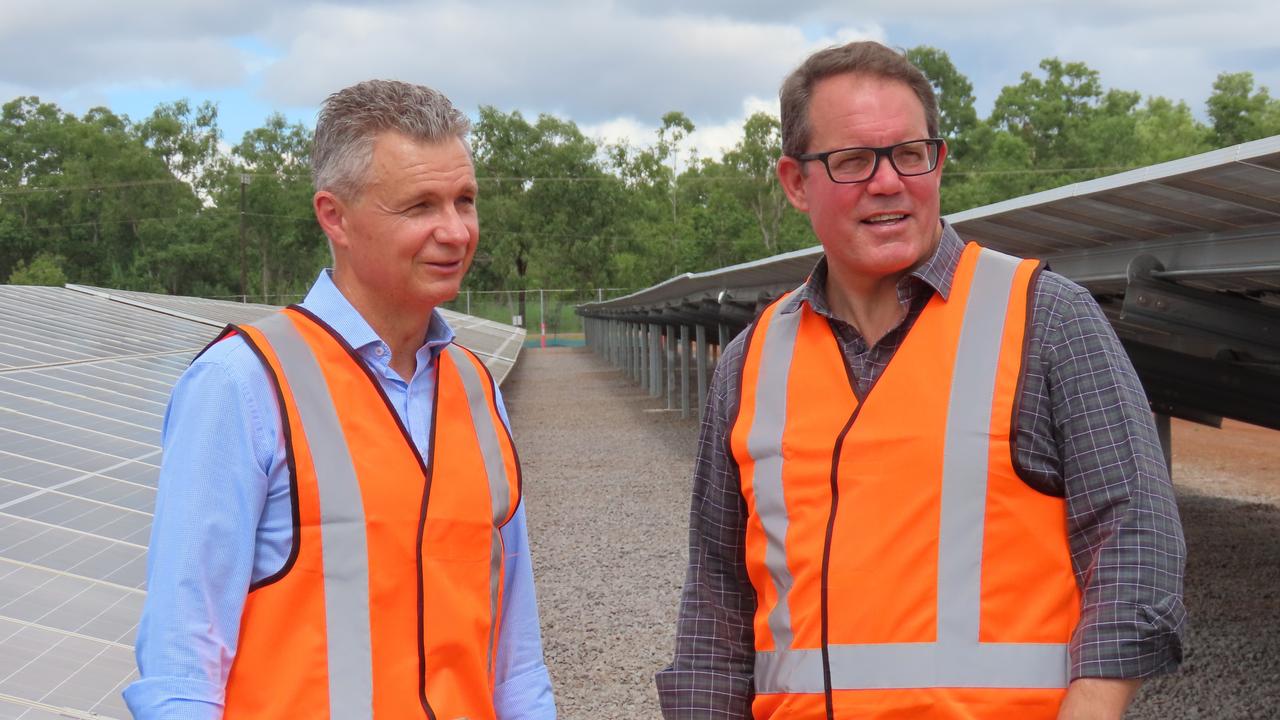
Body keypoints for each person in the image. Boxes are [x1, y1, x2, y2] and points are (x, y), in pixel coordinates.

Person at [655, 41, 1186, 719]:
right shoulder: (751, 361)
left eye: (911, 154)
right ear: (794, 182)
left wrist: (1095, 703)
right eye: (853, 161)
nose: (888, 182)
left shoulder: (1046, 318)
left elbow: (1135, 536)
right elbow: (717, 600)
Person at [124, 80, 556, 719]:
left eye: (464, 201)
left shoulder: (475, 388)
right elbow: (181, 670)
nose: (456, 231)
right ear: (335, 216)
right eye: (419, 206)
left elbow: (514, 658)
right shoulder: (244, 384)